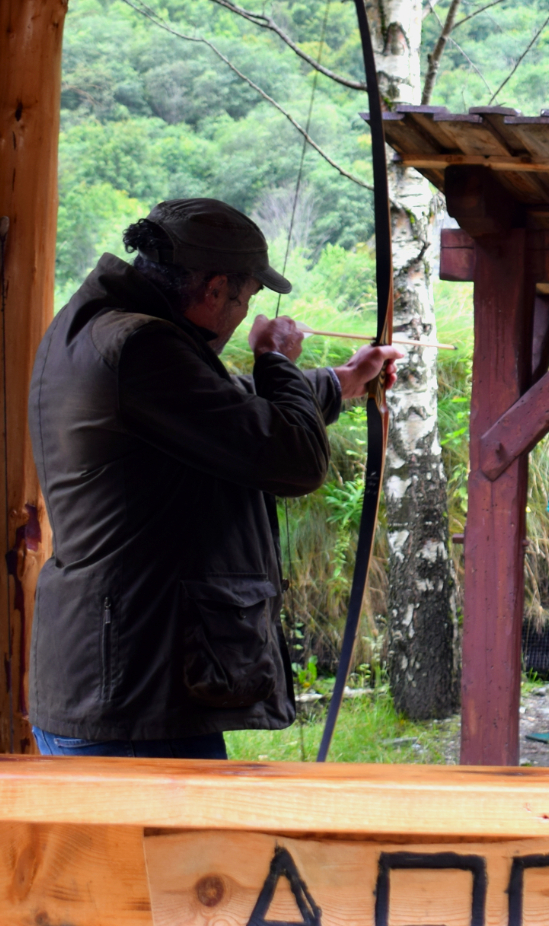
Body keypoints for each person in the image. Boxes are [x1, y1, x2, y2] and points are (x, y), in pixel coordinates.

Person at [27, 199, 403, 759]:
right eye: (247, 297)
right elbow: (293, 458)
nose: (244, 313)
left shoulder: (105, 328)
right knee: (173, 851)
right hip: (136, 694)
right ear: (213, 289)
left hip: (117, 683)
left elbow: (227, 411)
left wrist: (341, 381)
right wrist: (274, 357)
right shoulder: (144, 347)